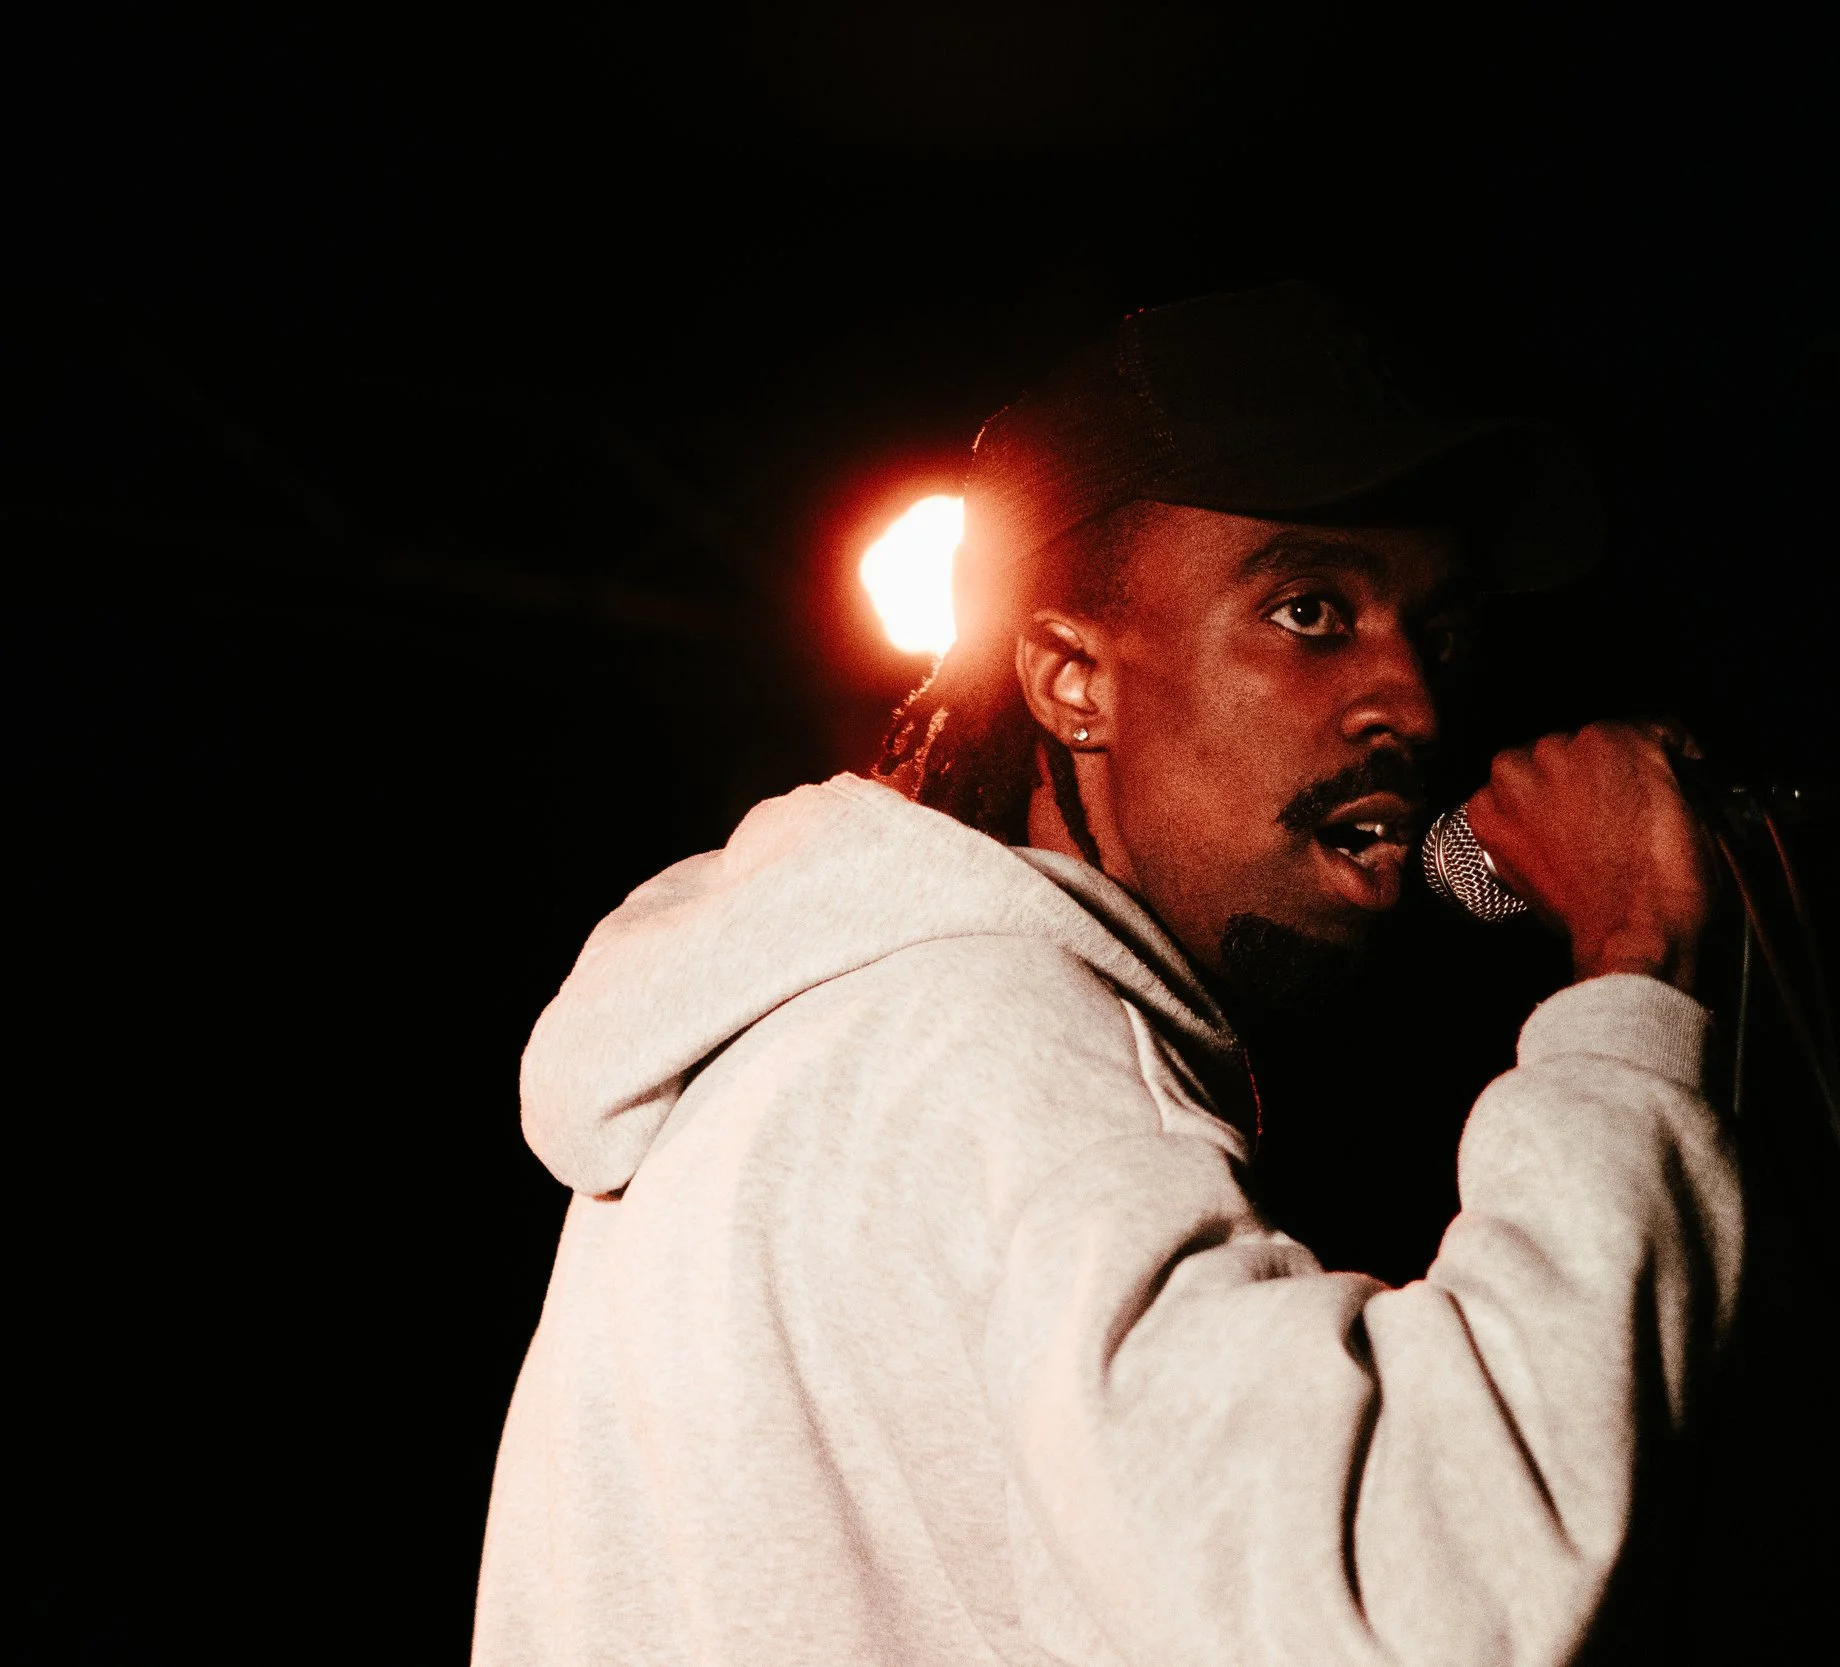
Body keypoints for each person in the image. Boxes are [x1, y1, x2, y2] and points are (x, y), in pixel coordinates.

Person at [473, 284, 1742, 1666]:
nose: (1414, 704)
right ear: (1072, 679)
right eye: (1311, 610)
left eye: (1435, 630)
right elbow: (1431, 1591)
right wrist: (1632, 975)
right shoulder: (1002, 1041)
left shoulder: (785, 1052)